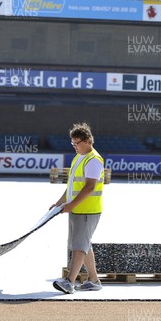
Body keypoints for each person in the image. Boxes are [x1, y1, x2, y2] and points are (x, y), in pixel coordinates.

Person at [51, 122, 105, 294]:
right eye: (73, 143)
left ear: (87, 140)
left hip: (87, 210)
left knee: (79, 247)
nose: (74, 146)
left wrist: (71, 205)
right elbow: (73, 186)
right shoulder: (78, 157)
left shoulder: (93, 160)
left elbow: (89, 187)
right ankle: (94, 280)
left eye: (77, 143)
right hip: (77, 210)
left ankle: (69, 282)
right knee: (84, 244)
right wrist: (60, 202)